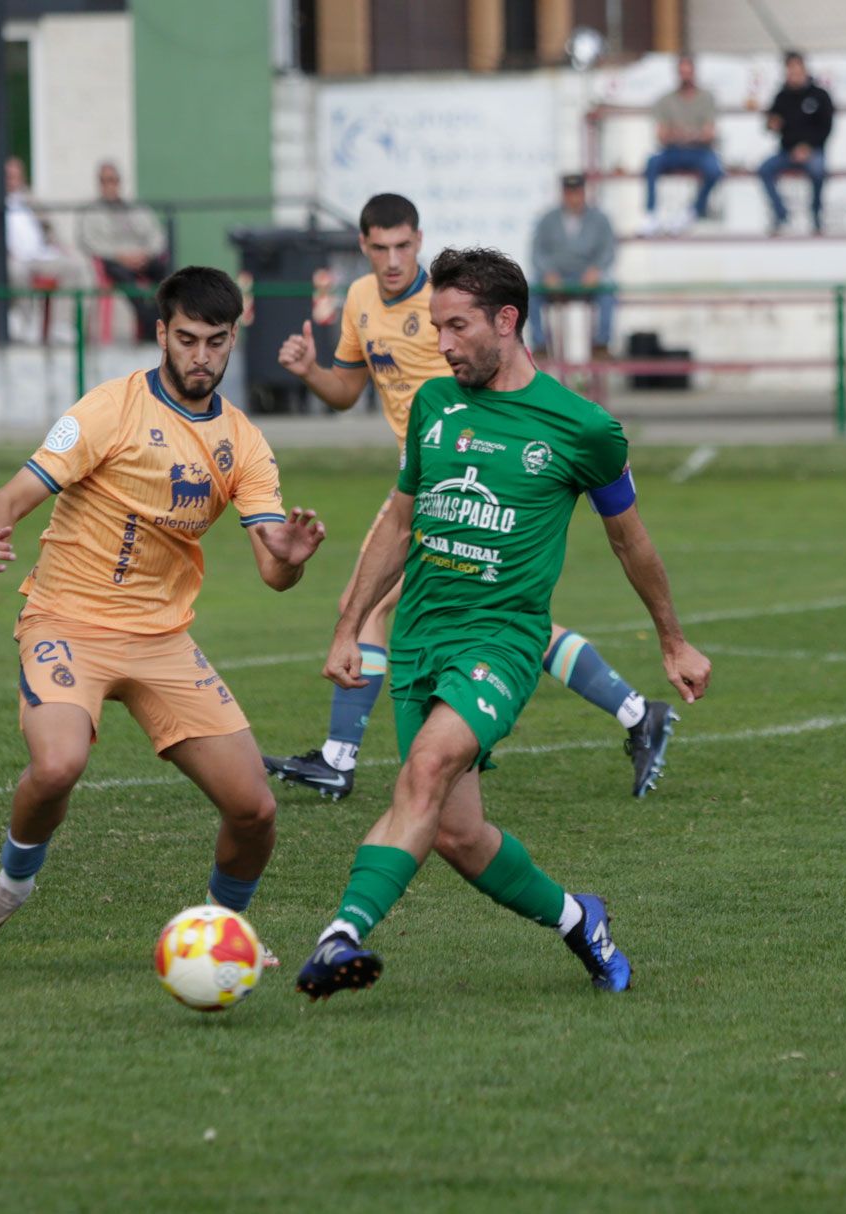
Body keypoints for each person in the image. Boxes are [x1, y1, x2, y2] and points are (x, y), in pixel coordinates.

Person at [292, 246, 712, 1002]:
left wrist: (673, 640)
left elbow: (631, 541)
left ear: (507, 321)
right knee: (455, 833)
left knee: (423, 771)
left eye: (457, 327)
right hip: (419, 636)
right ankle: (580, 918)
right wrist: (349, 624)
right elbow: (398, 521)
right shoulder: (432, 405)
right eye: (434, 326)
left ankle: (342, 933)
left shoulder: (584, 429)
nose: (443, 343)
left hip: (502, 641)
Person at [0, 266, 327, 968]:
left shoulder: (243, 444)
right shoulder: (107, 410)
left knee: (255, 809)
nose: (201, 355)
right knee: (58, 765)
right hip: (66, 621)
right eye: (186, 339)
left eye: (215, 341)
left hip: (161, 640)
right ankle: (8, 888)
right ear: (160, 334)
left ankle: (221, 932)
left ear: (234, 338)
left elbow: (274, 573)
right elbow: (11, 493)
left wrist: (292, 558)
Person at [263, 194, 677, 802]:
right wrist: (308, 372)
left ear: (419, 239)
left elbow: (509, 379)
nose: (393, 259)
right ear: (363, 248)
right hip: (425, 473)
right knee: (491, 613)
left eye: (404, 245)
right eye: (379, 247)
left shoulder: (456, 303)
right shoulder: (359, 301)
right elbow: (347, 390)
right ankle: (637, 712)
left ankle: (339, 756)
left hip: (475, 473)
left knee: (381, 604)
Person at [0, 156, 95, 336]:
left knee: (75, 266)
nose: (12, 181)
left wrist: (59, 245)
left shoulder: (29, 199)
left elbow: (49, 226)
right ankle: (27, 325)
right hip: (14, 257)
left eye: (16, 176)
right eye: (8, 176)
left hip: (41, 255)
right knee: (15, 271)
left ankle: (61, 326)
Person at [77, 160, 171, 335]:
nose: (110, 185)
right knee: (124, 277)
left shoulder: (136, 208)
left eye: (113, 180)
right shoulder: (91, 211)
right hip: (114, 261)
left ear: (119, 182)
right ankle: (149, 324)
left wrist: (146, 254)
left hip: (142, 258)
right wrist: (120, 256)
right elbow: (89, 242)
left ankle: (164, 318)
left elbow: (156, 235)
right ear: (99, 184)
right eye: (105, 181)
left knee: (164, 270)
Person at [528, 172, 617, 358]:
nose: (574, 198)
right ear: (563, 194)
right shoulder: (548, 219)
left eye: (577, 192)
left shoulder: (599, 219)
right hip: (555, 276)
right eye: (569, 193)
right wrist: (548, 273)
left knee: (608, 292)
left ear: (584, 193)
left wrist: (596, 270)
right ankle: (540, 344)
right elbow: (537, 251)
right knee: (531, 292)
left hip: (586, 275)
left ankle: (601, 344)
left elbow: (608, 248)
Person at [641, 55, 722, 234]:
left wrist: (680, 133)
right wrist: (693, 133)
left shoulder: (706, 98)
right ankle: (650, 215)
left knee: (715, 170)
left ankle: (693, 211)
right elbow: (661, 136)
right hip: (674, 151)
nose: (685, 76)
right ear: (677, 74)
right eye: (682, 72)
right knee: (651, 163)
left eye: (688, 72)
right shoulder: (665, 100)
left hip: (699, 152)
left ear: (694, 73)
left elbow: (709, 134)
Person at [757, 51, 834, 236]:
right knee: (764, 169)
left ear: (804, 69)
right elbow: (771, 124)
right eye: (790, 70)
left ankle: (816, 216)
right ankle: (781, 214)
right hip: (787, 152)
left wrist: (807, 147)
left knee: (818, 170)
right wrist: (771, 123)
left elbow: (826, 128)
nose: (793, 73)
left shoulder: (819, 95)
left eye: (796, 69)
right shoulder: (781, 96)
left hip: (813, 151)